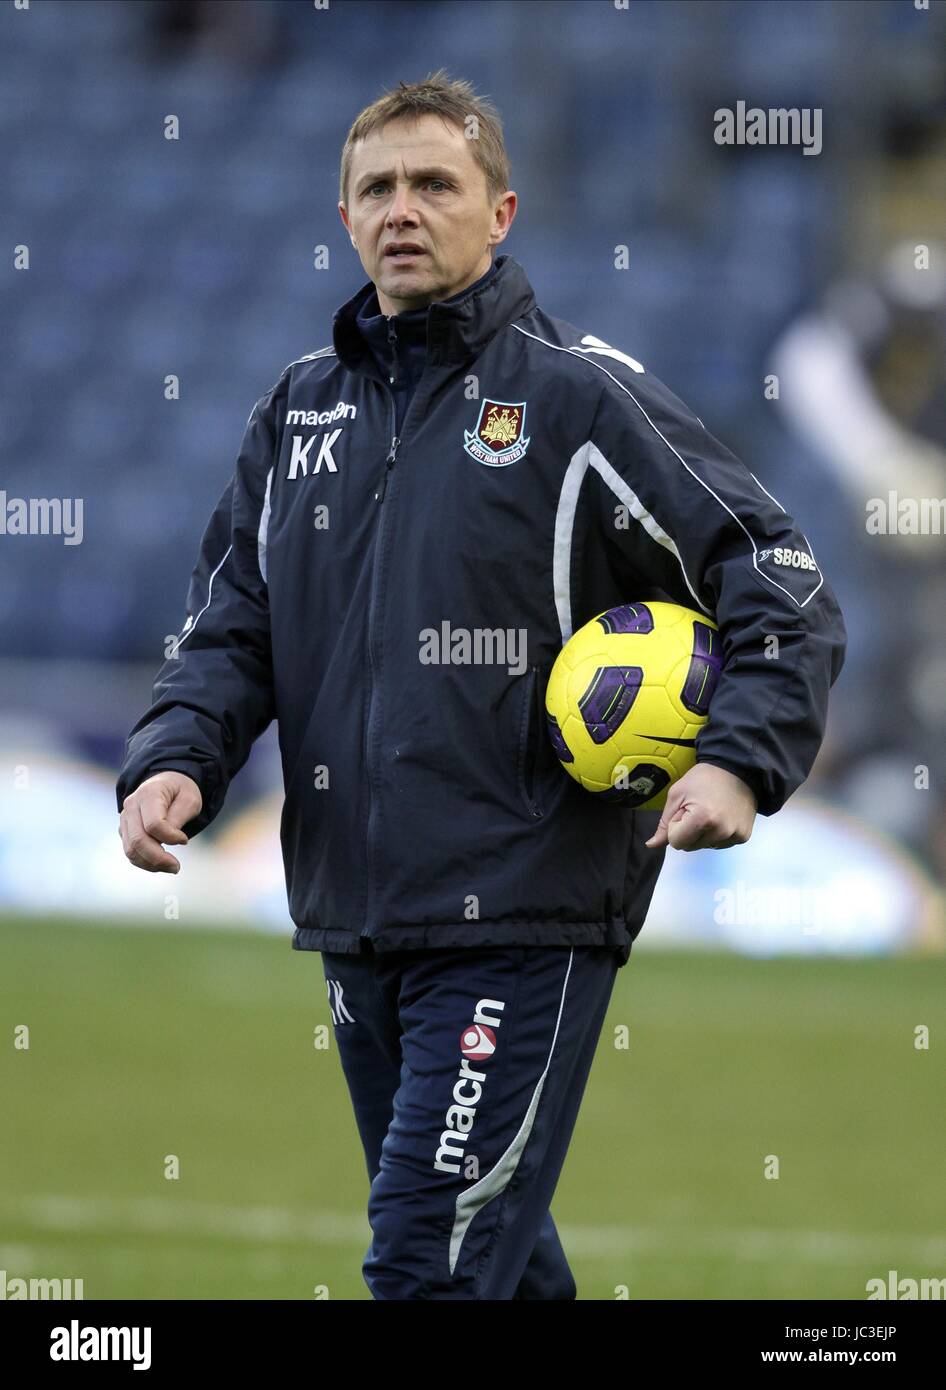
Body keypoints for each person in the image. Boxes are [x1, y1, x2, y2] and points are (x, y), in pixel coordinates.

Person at [116, 70, 846, 1299]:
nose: (404, 208)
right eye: (377, 188)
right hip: (354, 908)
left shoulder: (577, 396)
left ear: (499, 213)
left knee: (428, 1262)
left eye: (435, 184)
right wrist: (177, 755)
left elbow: (776, 571)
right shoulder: (298, 411)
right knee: (500, 1273)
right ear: (344, 216)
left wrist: (735, 756)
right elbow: (230, 624)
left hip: (523, 910)